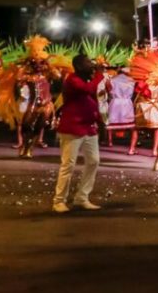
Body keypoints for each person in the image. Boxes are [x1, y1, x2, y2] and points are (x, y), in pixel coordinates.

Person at [53, 54, 104, 213]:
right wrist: (99, 75)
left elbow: (94, 93)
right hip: (72, 128)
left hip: (89, 128)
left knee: (94, 161)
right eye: (89, 63)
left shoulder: (86, 79)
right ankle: (59, 201)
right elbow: (87, 89)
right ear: (80, 65)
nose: (92, 65)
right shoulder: (73, 80)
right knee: (68, 164)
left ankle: (82, 197)